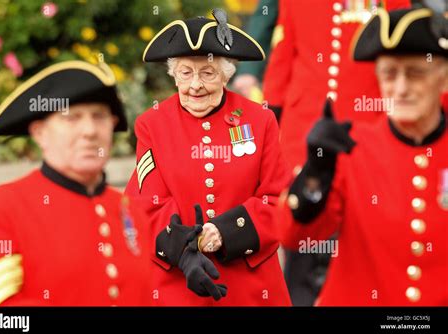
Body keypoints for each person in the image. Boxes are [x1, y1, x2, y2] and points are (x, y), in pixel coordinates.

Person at [280, 6, 448, 305]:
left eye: (415, 74)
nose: (401, 88)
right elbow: (294, 236)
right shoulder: (352, 149)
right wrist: (315, 176)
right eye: (389, 75)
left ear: (444, 80)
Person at [125, 9, 291, 306]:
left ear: (227, 74)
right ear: (173, 74)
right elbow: (146, 205)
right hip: (179, 282)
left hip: (251, 287)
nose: (195, 85)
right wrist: (189, 246)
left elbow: (275, 198)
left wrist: (224, 231)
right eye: (185, 72)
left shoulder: (260, 120)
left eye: (207, 72)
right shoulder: (151, 124)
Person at [262, 0, 412, 306]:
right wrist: (269, 120)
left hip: (365, 131)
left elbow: (399, 56)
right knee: (302, 230)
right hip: (304, 132)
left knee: (362, 236)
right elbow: (283, 57)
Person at [0, 61, 150, 306]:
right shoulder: (0, 210)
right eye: (71, 118)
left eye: (99, 116)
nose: (89, 130)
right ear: (39, 133)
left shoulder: (132, 210)